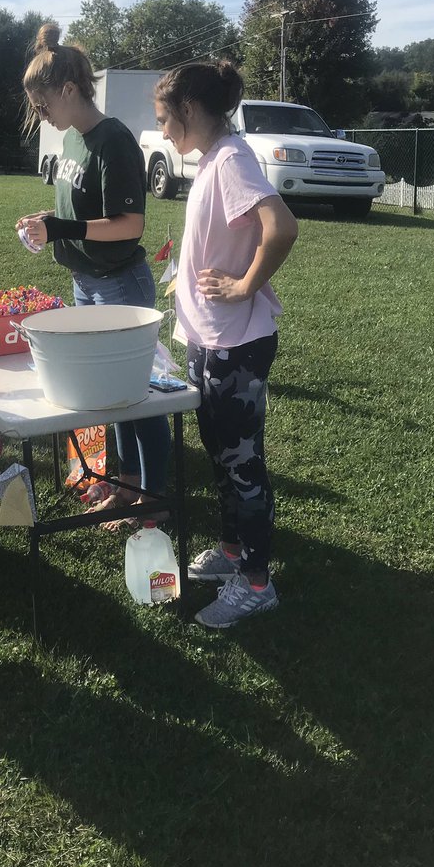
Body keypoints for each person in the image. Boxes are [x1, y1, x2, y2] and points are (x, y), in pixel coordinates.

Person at [153, 61, 299, 628]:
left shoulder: (232, 158)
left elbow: (281, 227)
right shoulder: (215, 159)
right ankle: (234, 553)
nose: (164, 132)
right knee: (221, 457)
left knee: (243, 467)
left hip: (236, 345)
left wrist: (245, 286)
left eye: (167, 119)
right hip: (210, 340)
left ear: (190, 109)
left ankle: (257, 584)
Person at [17, 23, 170, 526]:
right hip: (87, 284)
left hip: (120, 287)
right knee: (111, 397)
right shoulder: (75, 141)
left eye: (42, 104)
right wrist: (49, 220)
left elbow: (130, 224)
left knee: (138, 400)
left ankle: (154, 499)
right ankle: (127, 488)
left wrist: (61, 227)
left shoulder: (114, 140)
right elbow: (82, 210)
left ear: (68, 89)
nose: (40, 115)